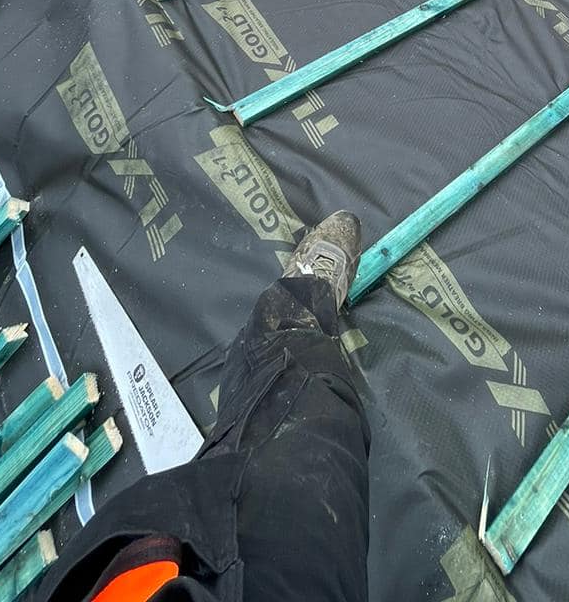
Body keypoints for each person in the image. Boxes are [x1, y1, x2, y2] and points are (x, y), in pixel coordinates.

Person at [35, 214, 369, 602]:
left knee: (216, 482)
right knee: (312, 410)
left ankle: (250, 402)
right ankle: (301, 310)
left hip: (122, 576)